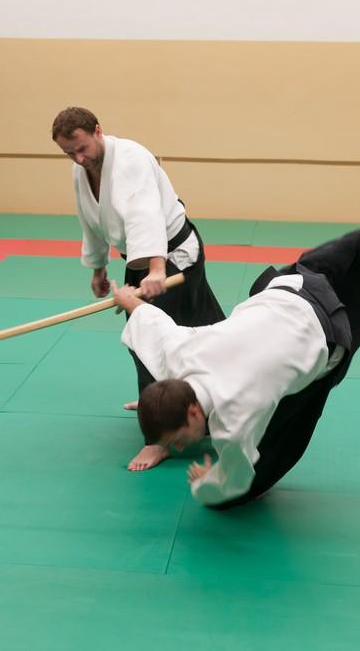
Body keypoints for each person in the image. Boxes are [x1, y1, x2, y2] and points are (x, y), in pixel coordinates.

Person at [112, 192, 360, 507]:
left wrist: (206, 484)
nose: (180, 448)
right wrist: (128, 299)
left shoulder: (233, 423)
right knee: (317, 264)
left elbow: (235, 478)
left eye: (178, 439)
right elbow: (152, 322)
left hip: (328, 333)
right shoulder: (179, 355)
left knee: (289, 424)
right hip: (289, 287)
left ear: (194, 412)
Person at [51, 106, 225, 471]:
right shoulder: (81, 170)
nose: (78, 158)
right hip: (141, 258)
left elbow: (146, 214)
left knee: (152, 332)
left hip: (174, 254)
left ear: (98, 131)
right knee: (177, 327)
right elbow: (90, 220)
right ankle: (164, 400)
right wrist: (98, 267)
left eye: (81, 148)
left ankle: (159, 436)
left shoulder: (131, 159)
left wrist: (157, 268)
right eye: (70, 153)